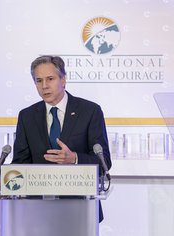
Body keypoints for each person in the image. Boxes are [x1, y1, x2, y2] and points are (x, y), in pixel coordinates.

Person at [11, 55, 112, 222]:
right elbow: (21, 162)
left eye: (50, 79)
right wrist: (9, 178)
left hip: (80, 209)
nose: (44, 86)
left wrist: (74, 159)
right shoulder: (27, 116)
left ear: (63, 79)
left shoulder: (90, 111)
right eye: (39, 80)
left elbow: (104, 163)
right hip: (37, 211)